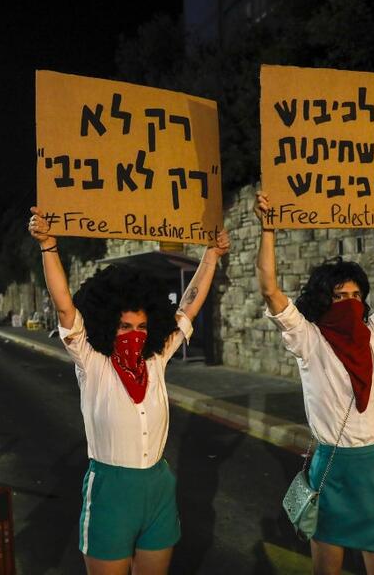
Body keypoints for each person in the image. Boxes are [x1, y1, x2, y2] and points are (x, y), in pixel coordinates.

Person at [253, 191, 374, 575]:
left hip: (370, 465)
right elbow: (270, 290)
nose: (349, 302)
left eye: (356, 296)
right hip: (330, 466)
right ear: (324, 301)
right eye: (339, 296)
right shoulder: (309, 339)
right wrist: (269, 228)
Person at [28, 206, 230, 575]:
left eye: (140, 326)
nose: (134, 335)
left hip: (158, 489)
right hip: (110, 493)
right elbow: (64, 308)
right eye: (124, 326)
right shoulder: (92, 361)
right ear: (107, 325)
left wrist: (212, 255)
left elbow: (188, 305)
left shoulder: (155, 359)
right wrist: (48, 246)